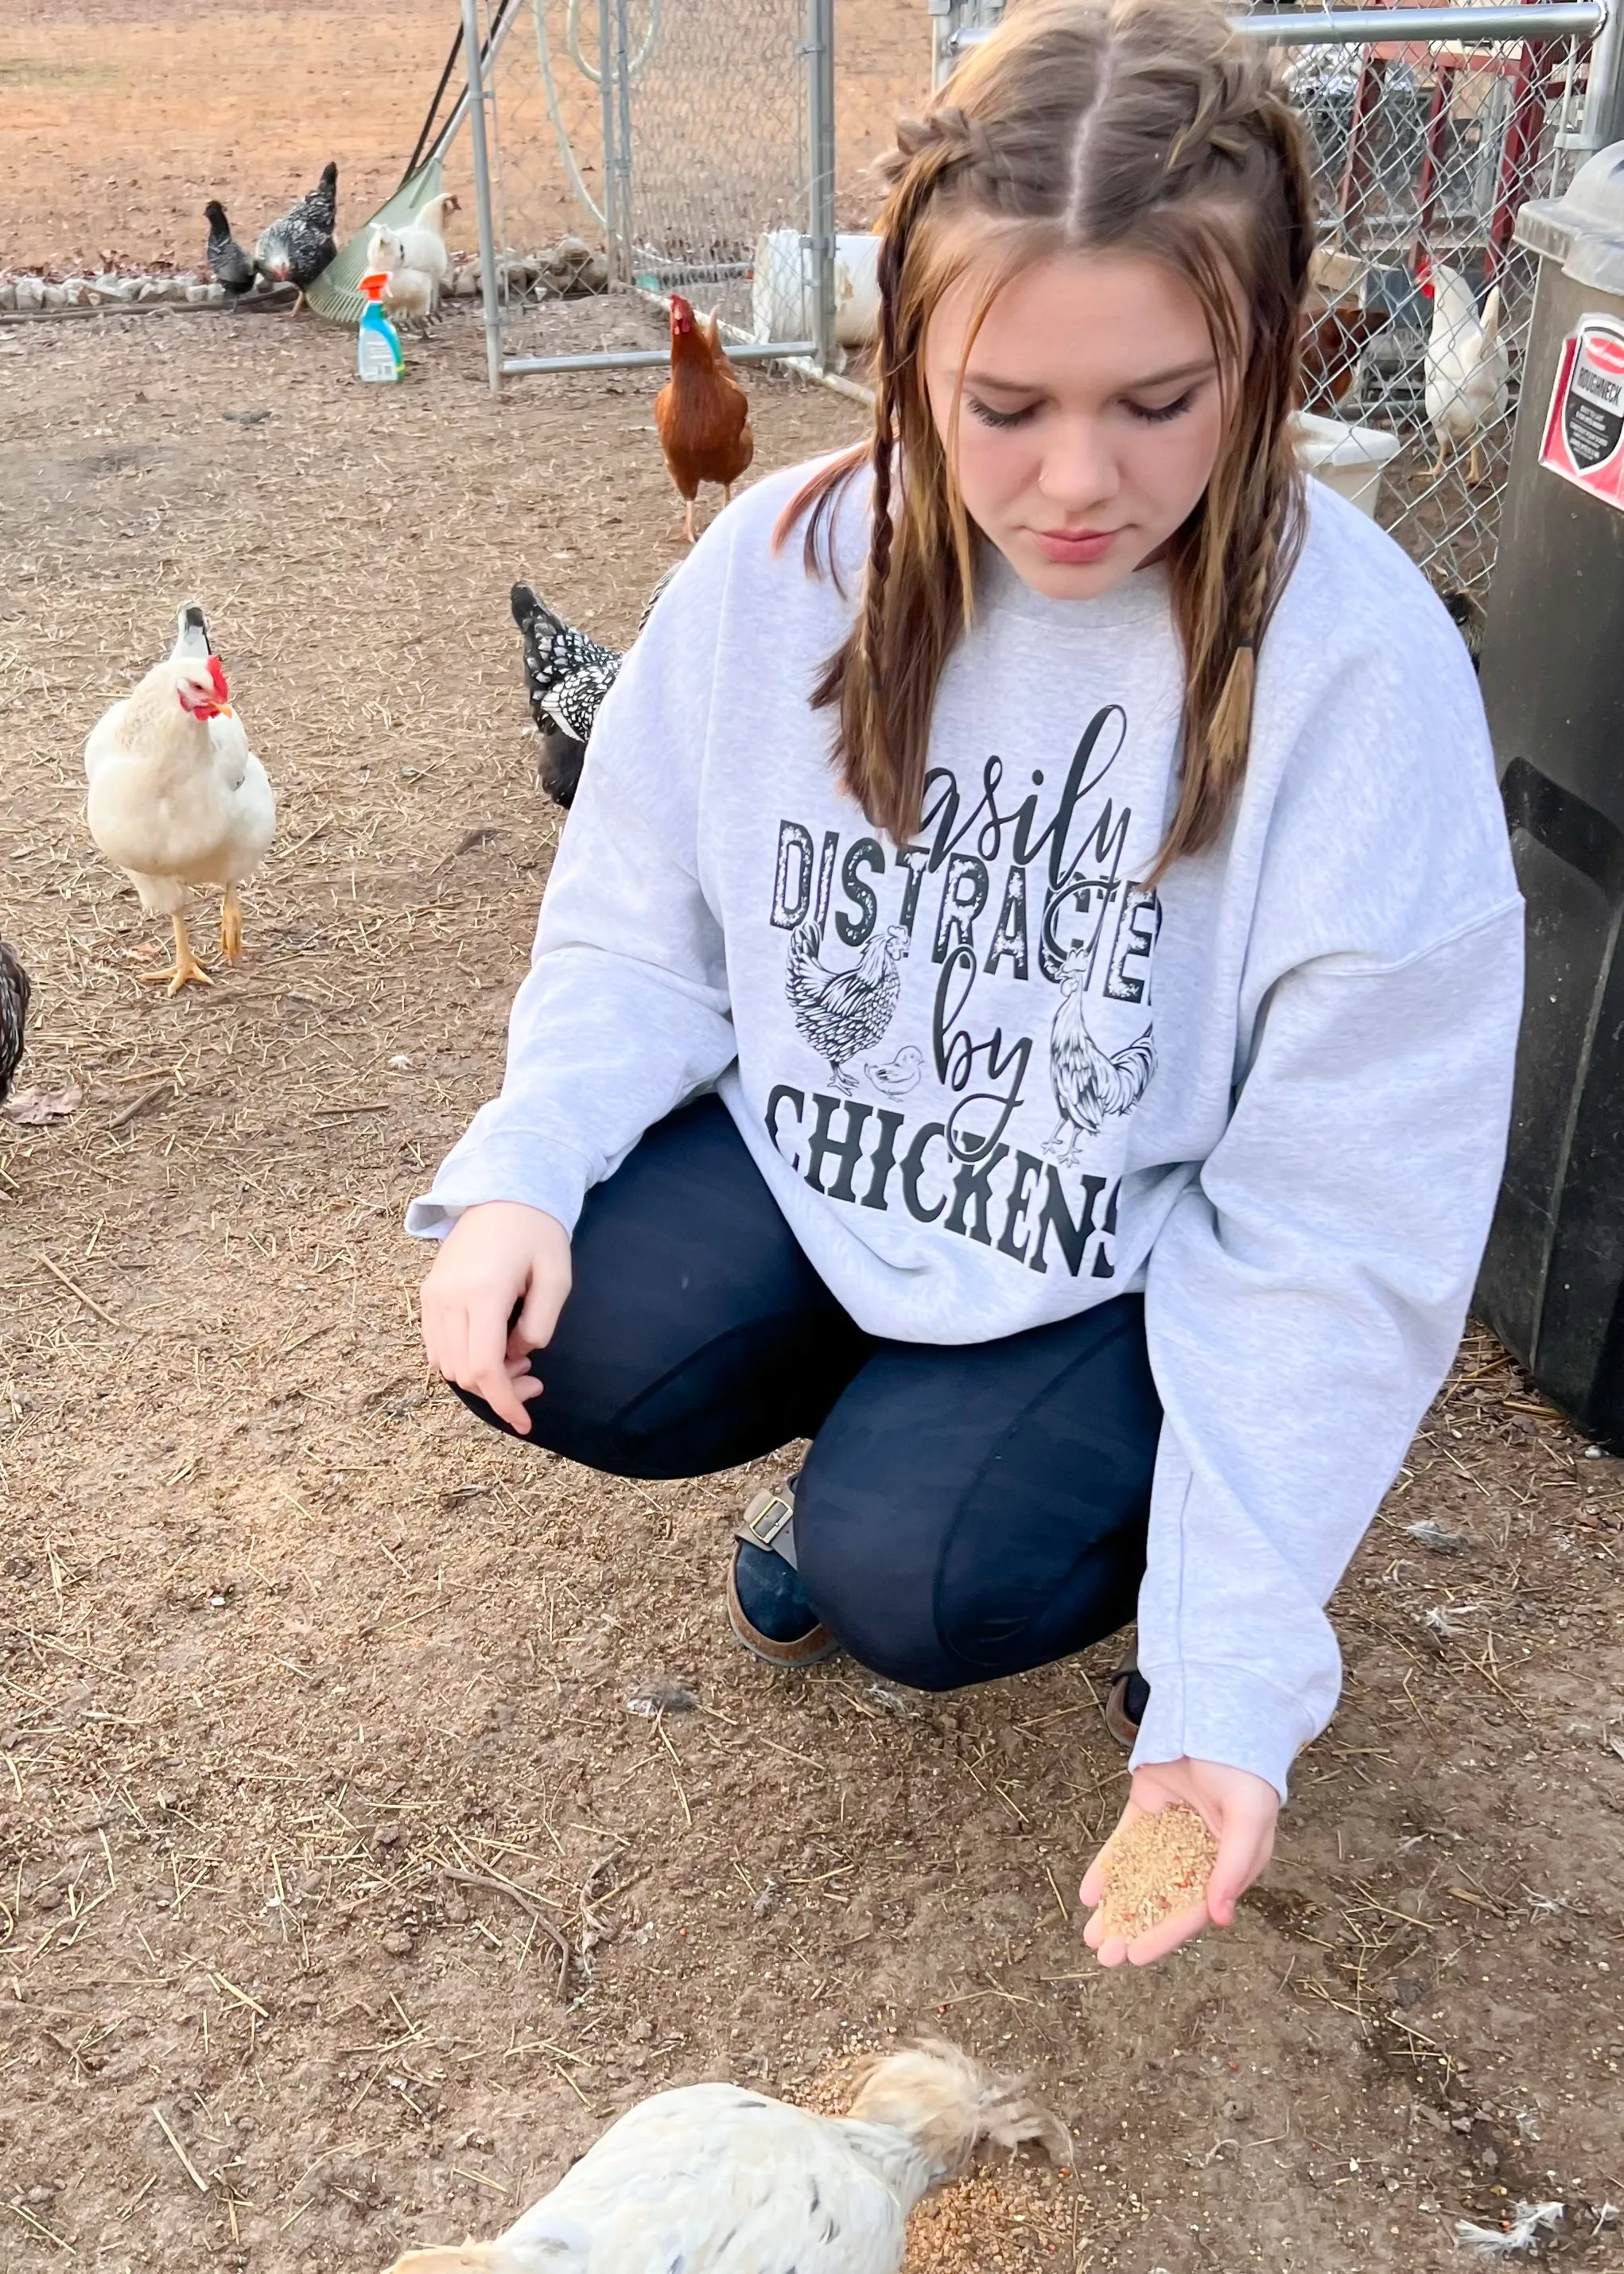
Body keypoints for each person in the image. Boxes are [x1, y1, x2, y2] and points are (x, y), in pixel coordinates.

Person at [410, 0, 1522, 1968]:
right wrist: (523, 1162)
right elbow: (638, 904)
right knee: (579, 1342)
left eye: (1157, 400)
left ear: (1261, 358)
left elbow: (1344, 1218)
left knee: (917, 1572)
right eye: (1003, 406)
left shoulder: (1362, 676)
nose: (1076, 480)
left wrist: (1228, 1672)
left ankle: (947, 1474)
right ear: (901, 356)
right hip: (853, 1156)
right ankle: (895, 1395)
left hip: (1130, 1240)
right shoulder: (782, 565)